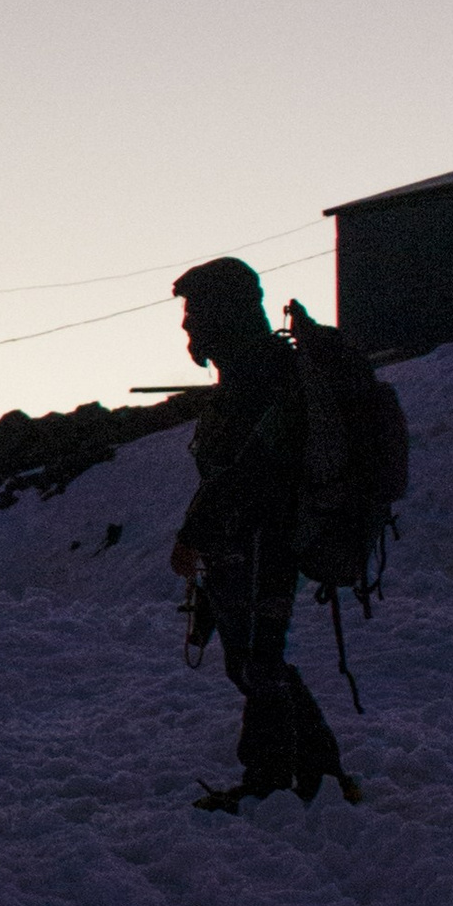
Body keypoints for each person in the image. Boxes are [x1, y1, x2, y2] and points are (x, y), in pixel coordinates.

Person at [168, 255, 353, 812]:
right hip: (250, 538)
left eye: (194, 312)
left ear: (224, 313)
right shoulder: (257, 373)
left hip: (260, 538)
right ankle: (316, 773)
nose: (186, 326)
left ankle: (275, 782)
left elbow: (247, 469)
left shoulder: (259, 378)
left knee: (256, 662)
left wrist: (193, 532)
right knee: (254, 659)